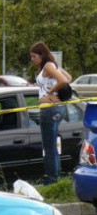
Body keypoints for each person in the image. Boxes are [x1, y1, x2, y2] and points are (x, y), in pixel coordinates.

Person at [29, 41, 71, 185]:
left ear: (41, 55)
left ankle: (51, 180)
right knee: (52, 147)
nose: (32, 59)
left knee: (49, 148)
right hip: (57, 108)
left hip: (49, 109)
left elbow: (64, 80)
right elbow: (69, 77)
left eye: (34, 56)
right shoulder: (51, 65)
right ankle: (55, 177)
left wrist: (49, 93)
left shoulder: (48, 66)